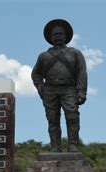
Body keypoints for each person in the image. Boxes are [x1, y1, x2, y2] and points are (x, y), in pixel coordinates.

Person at [32, 19, 88, 153]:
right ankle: (55, 146)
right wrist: (41, 89)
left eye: (60, 34)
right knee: (52, 119)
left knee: (72, 116)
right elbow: (36, 74)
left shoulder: (75, 53)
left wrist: (82, 92)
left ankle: (73, 144)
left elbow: (82, 73)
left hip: (69, 89)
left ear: (65, 36)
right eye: (55, 34)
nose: (58, 36)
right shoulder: (43, 56)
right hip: (50, 90)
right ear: (51, 38)